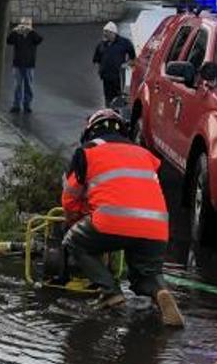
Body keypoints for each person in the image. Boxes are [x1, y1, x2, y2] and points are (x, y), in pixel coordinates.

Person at [61, 109, 183, 327]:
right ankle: (161, 292)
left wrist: (75, 221)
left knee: (75, 241)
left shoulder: (87, 152)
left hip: (111, 221)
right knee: (145, 273)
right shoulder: (143, 153)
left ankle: (110, 292)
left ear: (90, 131)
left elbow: (70, 200)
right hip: (156, 226)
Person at [92, 21, 136, 108]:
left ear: (113, 33)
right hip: (106, 76)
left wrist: (126, 64)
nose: (104, 34)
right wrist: (100, 70)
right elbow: (96, 59)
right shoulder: (101, 45)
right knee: (107, 96)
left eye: (106, 32)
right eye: (104, 31)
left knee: (118, 95)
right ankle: (108, 111)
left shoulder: (124, 43)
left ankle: (118, 112)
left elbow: (133, 57)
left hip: (118, 75)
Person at [6, 17, 42, 114]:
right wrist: (14, 31)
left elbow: (39, 40)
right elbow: (8, 41)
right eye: (23, 24)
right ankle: (16, 105)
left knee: (28, 86)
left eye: (27, 24)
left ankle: (27, 105)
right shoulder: (17, 34)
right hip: (17, 64)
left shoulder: (32, 35)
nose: (25, 26)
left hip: (29, 65)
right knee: (17, 86)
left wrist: (31, 31)